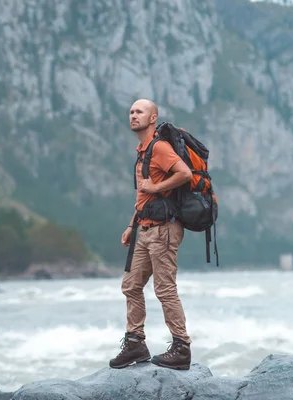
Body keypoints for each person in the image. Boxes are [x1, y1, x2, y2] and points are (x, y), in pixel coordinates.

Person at [109, 99, 193, 371]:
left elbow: (184, 173)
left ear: (153, 117)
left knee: (165, 289)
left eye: (139, 112)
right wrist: (132, 224)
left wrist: (157, 187)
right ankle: (135, 343)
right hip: (144, 229)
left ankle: (181, 347)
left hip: (164, 230)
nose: (133, 116)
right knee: (131, 285)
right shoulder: (142, 150)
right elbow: (143, 194)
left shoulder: (159, 147)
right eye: (131, 111)